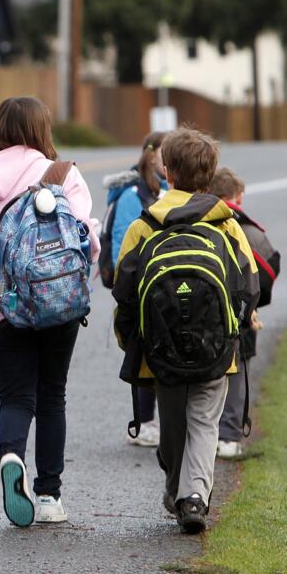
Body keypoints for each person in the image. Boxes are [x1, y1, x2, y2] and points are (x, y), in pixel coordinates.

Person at [111, 128, 258, 534]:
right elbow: (249, 286)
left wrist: (130, 341)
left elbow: (124, 291)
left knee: (173, 423)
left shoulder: (145, 226)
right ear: (210, 175)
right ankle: (193, 497)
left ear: (166, 171)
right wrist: (237, 329)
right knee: (205, 422)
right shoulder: (226, 226)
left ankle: (179, 489)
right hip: (216, 352)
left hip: (160, 352)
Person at [0, 96, 100, 527]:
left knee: (16, 396)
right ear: (43, 131)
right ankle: (49, 497)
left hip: (5, 308)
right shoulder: (63, 175)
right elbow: (86, 241)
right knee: (52, 393)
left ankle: (10, 454)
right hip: (58, 304)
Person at [207, 167, 281, 459]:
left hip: (202, 314)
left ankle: (203, 434)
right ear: (238, 196)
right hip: (240, 317)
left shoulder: (196, 220)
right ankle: (229, 436)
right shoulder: (246, 229)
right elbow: (270, 268)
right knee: (237, 373)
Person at [100, 132, 167, 447]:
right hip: (140, 286)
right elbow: (122, 248)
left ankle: (162, 420)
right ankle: (144, 422)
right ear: (152, 157)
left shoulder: (169, 190)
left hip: (164, 282)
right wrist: (129, 288)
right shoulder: (131, 196)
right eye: (168, 155)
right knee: (143, 352)